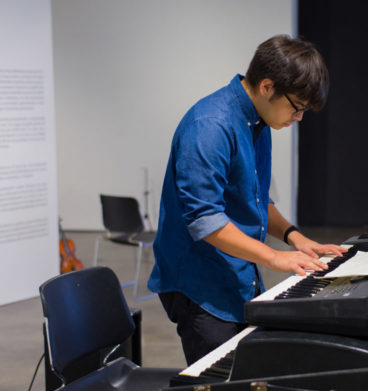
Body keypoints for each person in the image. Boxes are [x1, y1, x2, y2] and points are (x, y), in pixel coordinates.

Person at [147, 34, 347, 365]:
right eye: (296, 108)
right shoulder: (210, 125)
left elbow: (255, 200)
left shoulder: (259, 121)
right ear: (267, 86)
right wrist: (274, 257)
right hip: (200, 285)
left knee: (246, 375)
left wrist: (295, 238)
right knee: (219, 384)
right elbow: (205, 221)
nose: (298, 119)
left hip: (237, 272)